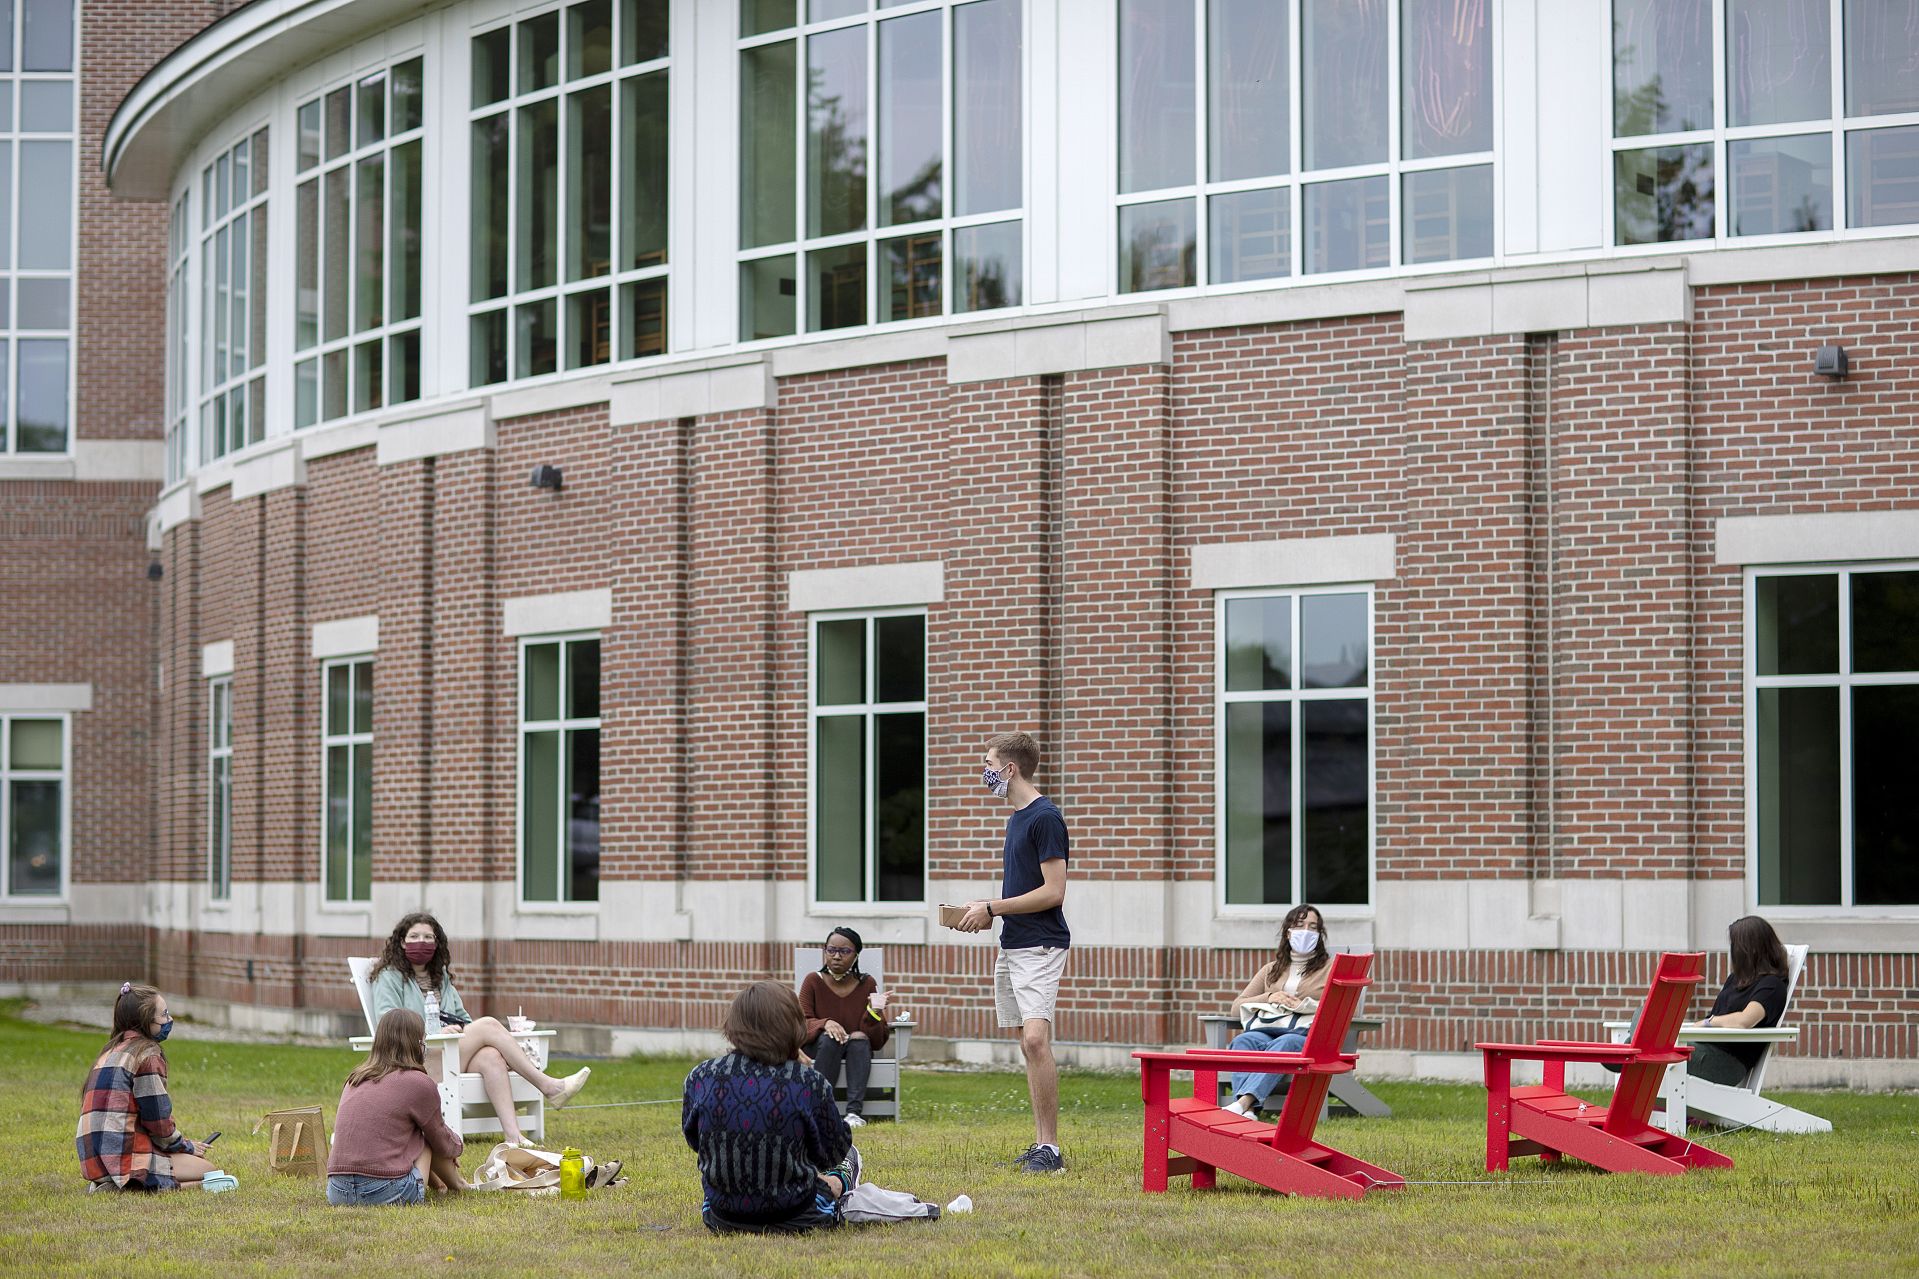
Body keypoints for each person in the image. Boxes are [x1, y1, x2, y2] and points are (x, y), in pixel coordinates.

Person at [369, 911, 589, 1143]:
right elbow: (389, 1023)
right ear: (402, 942)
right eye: (414, 937)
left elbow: (463, 1019)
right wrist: (435, 1033)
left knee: (491, 1055)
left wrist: (461, 1032)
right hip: (415, 1060)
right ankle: (549, 1087)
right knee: (489, 1025)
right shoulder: (389, 977)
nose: (421, 942)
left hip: (450, 1053)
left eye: (428, 937)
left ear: (436, 943)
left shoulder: (440, 977)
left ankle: (513, 1137)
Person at [956, 731, 1070, 1174]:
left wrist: (992, 907)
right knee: (1026, 1044)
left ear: (1010, 769)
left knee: (1037, 1040)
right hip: (1013, 944)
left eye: (989, 765)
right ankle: (1041, 1144)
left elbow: (1054, 892)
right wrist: (984, 912)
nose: (985, 773)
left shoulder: (1045, 818)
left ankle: (1052, 1150)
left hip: (1041, 945)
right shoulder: (1016, 818)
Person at [682, 980, 861, 1234]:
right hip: (798, 1213)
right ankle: (837, 1185)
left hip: (722, 1215)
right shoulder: (807, 1081)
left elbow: (695, 1140)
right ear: (793, 1025)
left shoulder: (700, 1077)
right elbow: (832, 1152)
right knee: (849, 1158)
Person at [77, 982, 216, 1192]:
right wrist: (186, 1146)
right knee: (209, 1170)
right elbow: (158, 1121)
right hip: (124, 1159)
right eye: (164, 1015)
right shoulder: (147, 1055)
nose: (170, 1020)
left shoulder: (110, 1052)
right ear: (145, 1021)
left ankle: (113, 1183)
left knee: (192, 1168)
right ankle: (129, 1186)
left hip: (94, 1161)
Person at [327, 1008, 467, 1205]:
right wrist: (455, 1148)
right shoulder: (418, 1082)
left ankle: (440, 1186)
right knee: (425, 1140)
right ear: (416, 1044)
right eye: (423, 1041)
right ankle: (458, 1185)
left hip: (337, 1192)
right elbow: (440, 1138)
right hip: (384, 1192)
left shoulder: (355, 1079)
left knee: (410, 1134)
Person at [1221, 905, 1331, 1117]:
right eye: (1300, 926)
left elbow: (1341, 1009)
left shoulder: (1330, 969)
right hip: (1267, 1030)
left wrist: (1302, 1005)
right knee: (1242, 1041)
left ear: (1319, 935)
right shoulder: (1271, 969)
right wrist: (1270, 997)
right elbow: (1237, 1007)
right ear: (1288, 932)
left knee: (1286, 1043)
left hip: (1305, 1037)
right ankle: (1250, 1110)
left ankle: (1243, 1103)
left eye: (1313, 927)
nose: (1306, 931)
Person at [799, 927, 903, 1128]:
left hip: (857, 1051)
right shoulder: (813, 981)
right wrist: (825, 1023)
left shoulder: (867, 983)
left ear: (856, 956)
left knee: (859, 1037)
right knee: (831, 1037)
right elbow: (801, 1023)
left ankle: (853, 1113)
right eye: (831, 950)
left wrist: (873, 1012)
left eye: (844, 951)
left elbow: (877, 1040)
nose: (836, 956)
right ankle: (820, 1109)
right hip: (820, 1048)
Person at [1687, 915, 1792, 1085]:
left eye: (1735, 945)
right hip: (1706, 1051)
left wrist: (1709, 1022)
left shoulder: (1772, 986)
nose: (1732, 951)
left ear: (1750, 950)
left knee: (1644, 1048)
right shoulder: (1736, 979)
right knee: (1636, 1044)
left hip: (1725, 1063)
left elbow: (1745, 1020)